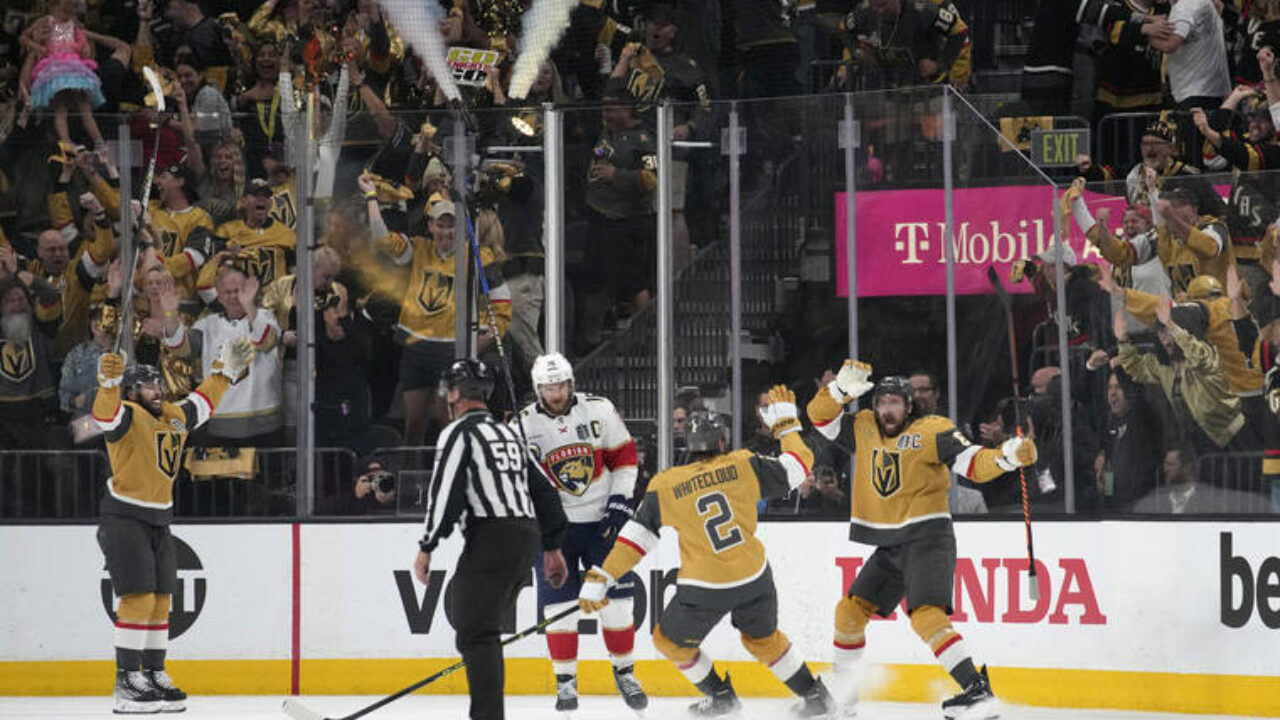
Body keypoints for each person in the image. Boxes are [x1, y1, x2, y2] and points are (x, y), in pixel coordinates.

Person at [578, 388, 836, 718]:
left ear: (689, 446)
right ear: (722, 443)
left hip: (705, 588)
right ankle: (817, 697)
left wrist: (604, 575)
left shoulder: (666, 484)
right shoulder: (743, 464)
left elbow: (636, 538)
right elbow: (799, 466)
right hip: (754, 576)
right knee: (763, 639)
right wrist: (786, 427)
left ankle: (721, 696)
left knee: (668, 641)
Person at [806, 363, 1039, 718]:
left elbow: (974, 463)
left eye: (895, 402)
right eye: (882, 402)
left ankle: (976, 689)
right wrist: (839, 390)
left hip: (929, 537)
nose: (887, 409)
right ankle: (843, 698)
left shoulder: (934, 430)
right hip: (892, 543)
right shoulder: (864, 426)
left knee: (926, 615)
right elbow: (819, 419)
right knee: (848, 614)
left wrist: (1007, 457)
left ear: (910, 405)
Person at [93, 337, 255, 713]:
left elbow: (202, 402)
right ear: (132, 390)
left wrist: (225, 373)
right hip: (124, 516)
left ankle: (153, 672)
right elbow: (105, 416)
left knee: (163, 600)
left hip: (159, 517)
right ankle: (127, 679)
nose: (157, 389)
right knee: (139, 598)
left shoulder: (172, 415)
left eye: (158, 383)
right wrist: (107, 385)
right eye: (148, 384)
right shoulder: (127, 415)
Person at [411, 358, 569, 720]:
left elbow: (445, 493)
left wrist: (427, 546)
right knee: (480, 630)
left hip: (492, 537)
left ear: (455, 394)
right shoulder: (509, 432)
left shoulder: (458, 433)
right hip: (525, 536)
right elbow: (544, 492)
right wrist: (553, 545)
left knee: (475, 633)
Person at [514, 352, 648, 713]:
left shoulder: (599, 410)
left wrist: (621, 501)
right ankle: (566, 683)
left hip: (602, 525)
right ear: (537, 389)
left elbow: (625, 458)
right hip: (555, 532)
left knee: (617, 604)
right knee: (560, 609)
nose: (556, 394)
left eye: (560, 386)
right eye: (548, 387)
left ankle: (625, 672)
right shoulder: (522, 424)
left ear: (571, 383)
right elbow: (518, 482)